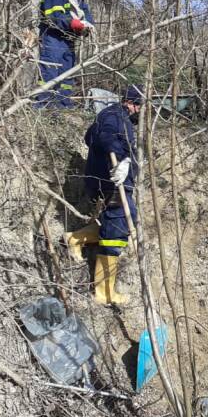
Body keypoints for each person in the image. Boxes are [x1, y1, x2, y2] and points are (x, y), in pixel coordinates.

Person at [63, 86, 143, 305]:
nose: (138, 111)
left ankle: (75, 238)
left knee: (120, 224)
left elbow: (89, 136)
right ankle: (103, 292)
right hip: (112, 182)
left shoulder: (113, 115)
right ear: (132, 103)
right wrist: (120, 160)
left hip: (111, 182)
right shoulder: (114, 116)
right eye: (139, 106)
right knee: (116, 230)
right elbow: (105, 136)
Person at [35, 0, 95, 108]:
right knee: (50, 73)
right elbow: (53, 16)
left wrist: (87, 27)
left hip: (69, 41)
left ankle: (63, 105)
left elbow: (87, 15)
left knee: (67, 74)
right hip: (53, 39)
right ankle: (44, 106)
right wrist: (73, 24)